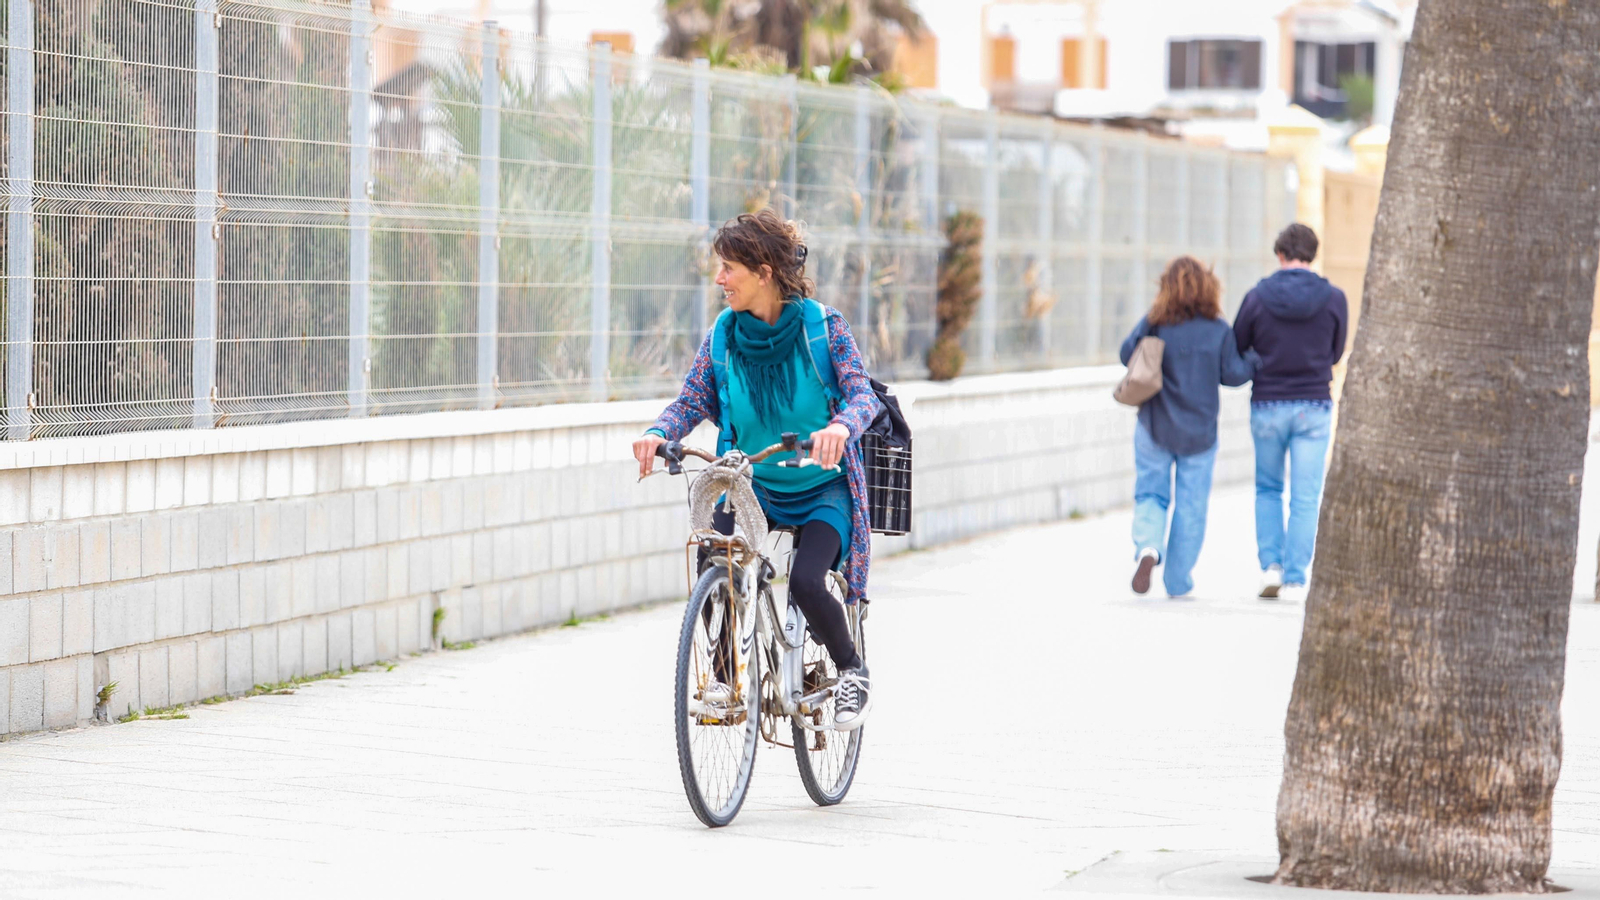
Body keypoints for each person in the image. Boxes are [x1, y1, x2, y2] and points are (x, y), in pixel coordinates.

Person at [632, 209, 881, 730]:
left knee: (807, 582)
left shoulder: (823, 329)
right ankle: (725, 677)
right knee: (714, 557)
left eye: (729, 268)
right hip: (754, 486)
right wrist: (658, 432)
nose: (719, 279)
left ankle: (851, 671)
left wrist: (841, 427)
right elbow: (692, 400)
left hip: (823, 489)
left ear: (764, 272)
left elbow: (863, 396)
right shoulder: (723, 337)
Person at [1121, 256, 1257, 598]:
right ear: (1209, 288)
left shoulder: (1156, 323)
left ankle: (1148, 547)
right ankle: (1178, 580)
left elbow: (1126, 354)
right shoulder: (1218, 329)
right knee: (1191, 506)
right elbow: (1233, 375)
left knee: (1151, 493)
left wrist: (1151, 318)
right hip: (1200, 432)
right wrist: (1255, 359)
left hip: (1154, 424)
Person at [1233, 223, 1348, 603]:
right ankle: (1296, 579)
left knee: (1268, 487)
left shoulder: (1256, 297)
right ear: (1312, 255)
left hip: (1267, 403)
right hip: (1313, 405)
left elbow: (1238, 344)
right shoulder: (1334, 299)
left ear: (1280, 254)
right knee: (1305, 495)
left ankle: (1271, 567)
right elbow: (1335, 353)